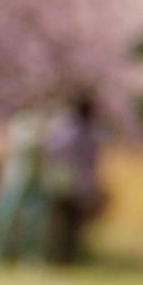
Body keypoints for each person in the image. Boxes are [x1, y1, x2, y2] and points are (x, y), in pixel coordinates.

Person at [0, 108, 46, 265]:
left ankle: (29, 257)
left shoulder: (42, 128)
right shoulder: (19, 126)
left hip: (33, 182)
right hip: (12, 181)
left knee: (32, 222)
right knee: (1, 218)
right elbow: (24, 144)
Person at [40, 92, 103, 266]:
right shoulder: (90, 132)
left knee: (62, 221)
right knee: (70, 223)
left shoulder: (68, 129)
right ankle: (64, 257)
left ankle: (59, 257)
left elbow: (51, 149)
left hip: (67, 181)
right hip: (78, 183)